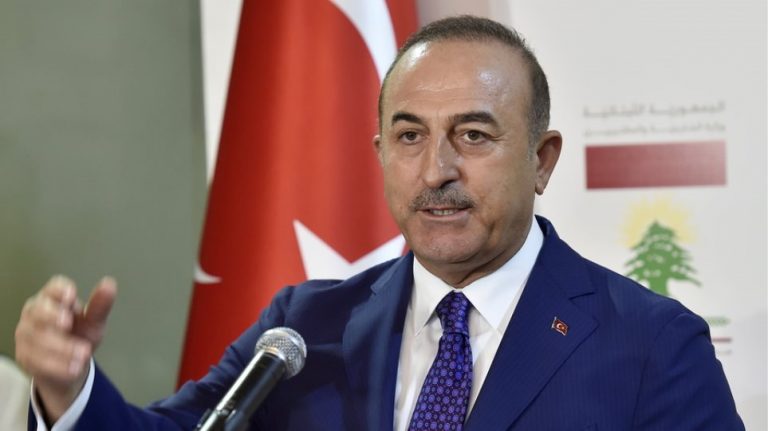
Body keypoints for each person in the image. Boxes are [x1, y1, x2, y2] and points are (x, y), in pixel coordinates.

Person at [15, 15, 744, 431]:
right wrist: (70, 391)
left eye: (474, 135)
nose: (435, 170)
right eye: (409, 136)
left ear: (541, 160)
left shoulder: (651, 345)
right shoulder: (302, 331)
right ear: (380, 153)